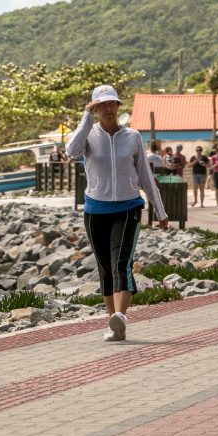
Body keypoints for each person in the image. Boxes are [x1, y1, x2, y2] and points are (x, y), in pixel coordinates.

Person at [66, 85, 168, 343]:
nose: (109, 108)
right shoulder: (88, 136)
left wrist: (160, 210)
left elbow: (145, 174)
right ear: (95, 108)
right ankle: (114, 325)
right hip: (95, 210)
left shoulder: (133, 136)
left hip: (128, 208)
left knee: (121, 263)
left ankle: (121, 316)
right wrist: (86, 119)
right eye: (102, 105)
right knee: (105, 269)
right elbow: (71, 151)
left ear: (118, 107)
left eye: (112, 104)